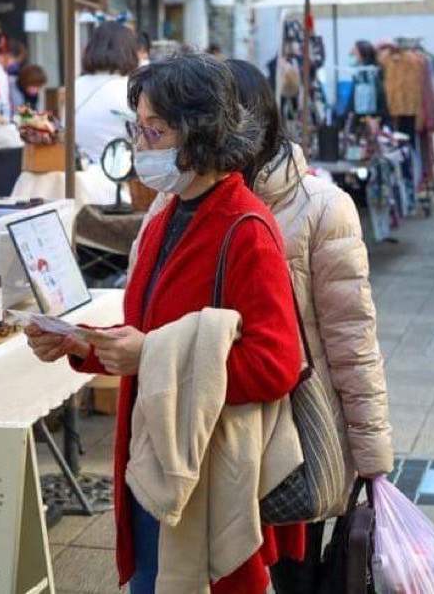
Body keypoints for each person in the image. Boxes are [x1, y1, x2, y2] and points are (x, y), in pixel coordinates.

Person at [28, 54, 303, 593]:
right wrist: (78, 344)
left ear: (198, 133)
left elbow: (276, 366)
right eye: (138, 128)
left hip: (202, 471)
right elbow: (148, 331)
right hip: (154, 458)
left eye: (154, 131)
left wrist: (149, 355)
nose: (141, 145)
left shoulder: (245, 227)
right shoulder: (165, 214)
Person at [230, 60, 394, 593]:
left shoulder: (323, 207)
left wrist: (371, 459)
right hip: (215, 434)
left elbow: (353, 341)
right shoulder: (178, 202)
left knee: (293, 577)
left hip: (300, 438)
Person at [74, 22, 137, 164]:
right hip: (118, 177)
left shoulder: (76, 85)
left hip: (77, 175)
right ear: (129, 51)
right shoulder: (132, 89)